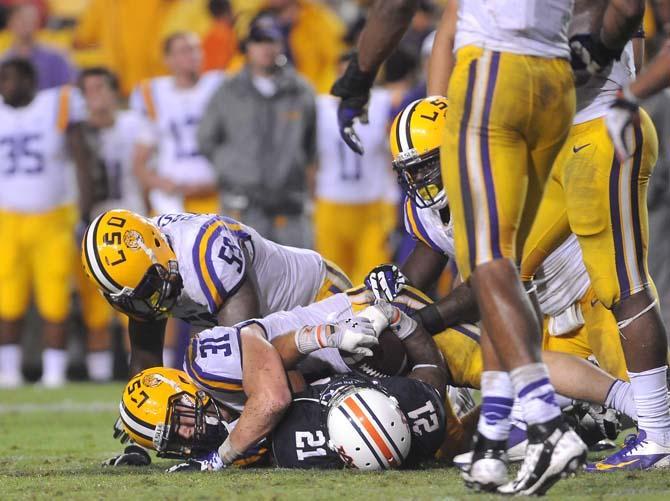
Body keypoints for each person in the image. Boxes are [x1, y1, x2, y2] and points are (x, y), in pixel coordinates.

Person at [0, 58, 93, 387]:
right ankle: (7, 372)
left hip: (53, 217)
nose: (3, 86)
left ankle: (55, 374)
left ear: (29, 79)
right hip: (7, 218)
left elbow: (81, 157)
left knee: (55, 299)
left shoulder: (57, 103)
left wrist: (85, 209)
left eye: (8, 79)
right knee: (7, 299)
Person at [198, 15, 316, 247]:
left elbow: (311, 147)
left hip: (289, 206)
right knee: (241, 277)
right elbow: (206, 139)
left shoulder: (301, 91)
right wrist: (234, 168)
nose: (265, 48)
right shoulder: (228, 91)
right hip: (242, 205)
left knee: (298, 278)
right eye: (258, 41)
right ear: (247, 47)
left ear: (281, 44)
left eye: (271, 40)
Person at [77, 67, 147, 382]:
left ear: (113, 91)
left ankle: (144, 372)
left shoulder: (134, 124)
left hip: (131, 226)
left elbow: (144, 170)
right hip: (93, 227)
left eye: (100, 88)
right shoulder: (75, 132)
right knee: (95, 309)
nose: (96, 96)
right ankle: (99, 377)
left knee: (139, 306)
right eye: (89, 90)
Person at [313, 52, 394, 284]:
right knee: (330, 280)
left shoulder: (383, 102)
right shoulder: (320, 106)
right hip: (331, 202)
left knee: (374, 277)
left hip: (372, 205)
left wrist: (392, 196)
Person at [131, 32, 223, 216]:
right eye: (184, 50)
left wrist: (223, 179)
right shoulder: (153, 93)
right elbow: (139, 162)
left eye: (196, 49)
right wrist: (161, 183)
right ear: (168, 60)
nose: (193, 55)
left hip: (218, 194)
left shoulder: (220, 86)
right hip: (172, 200)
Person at [246, 0, 345, 93]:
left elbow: (335, 64)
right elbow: (241, 61)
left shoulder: (319, 20)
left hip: (311, 96)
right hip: (262, 96)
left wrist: (317, 95)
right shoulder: (252, 18)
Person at [2, 3, 74, 90]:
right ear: (10, 23)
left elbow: (68, 90)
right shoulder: (4, 61)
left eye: (30, 19)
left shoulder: (56, 57)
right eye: (21, 19)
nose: (25, 24)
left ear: (37, 23)